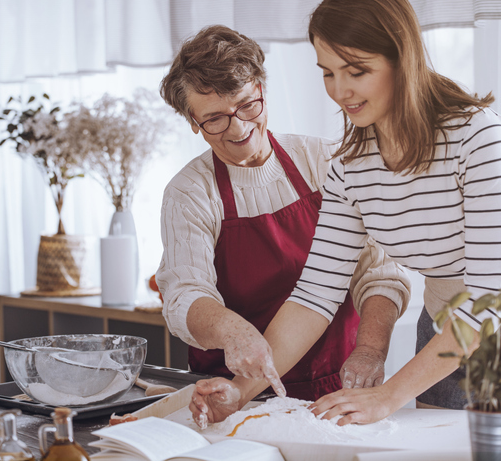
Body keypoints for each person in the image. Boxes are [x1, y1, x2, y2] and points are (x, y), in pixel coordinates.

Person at [191, 0, 501, 427]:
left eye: (356, 70)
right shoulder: (351, 167)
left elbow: (486, 300)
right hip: (444, 333)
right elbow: (314, 297)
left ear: (401, 59)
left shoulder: (481, 140)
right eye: (328, 72)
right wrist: (242, 389)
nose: (340, 90)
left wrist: (387, 397)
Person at [156, 24, 412, 427]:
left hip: (338, 388)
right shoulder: (189, 193)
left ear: (261, 87)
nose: (238, 129)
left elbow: (378, 272)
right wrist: (232, 332)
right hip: (233, 399)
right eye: (215, 120)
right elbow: (185, 295)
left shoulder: (326, 162)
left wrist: (371, 351)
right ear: (192, 121)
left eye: (246, 106)